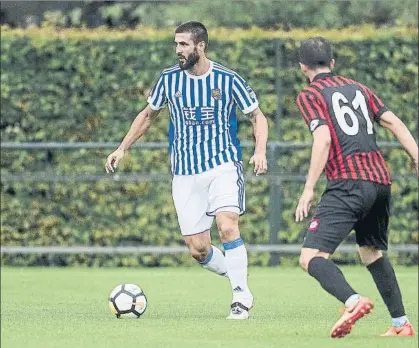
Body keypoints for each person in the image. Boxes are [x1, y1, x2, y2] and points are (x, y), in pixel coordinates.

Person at [105, 21, 268, 319]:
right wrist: (122, 147)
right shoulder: (168, 79)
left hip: (223, 165)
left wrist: (260, 150)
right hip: (185, 173)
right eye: (176, 44)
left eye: (183, 44)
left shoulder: (228, 79)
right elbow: (147, 115)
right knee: (198, 249)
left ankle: (240, 296)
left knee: (228, 225)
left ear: (200, 46)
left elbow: (257, 116)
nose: (178, 50)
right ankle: (236, 275)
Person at [294, 37, 418, 338]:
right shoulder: (360, 88)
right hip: (380, 182)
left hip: (348, 183)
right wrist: (415, 156)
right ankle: (401, 325)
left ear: (302, 67)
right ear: (332, 63)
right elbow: (395, 123)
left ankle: (353, 301)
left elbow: (322, 139)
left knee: (310, 257)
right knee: (371, 253)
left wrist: (309, 187)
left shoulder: (310, 95)